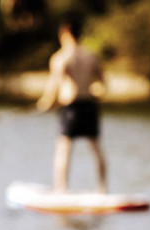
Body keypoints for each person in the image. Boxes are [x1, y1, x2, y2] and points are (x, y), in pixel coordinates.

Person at [36, 15, 108, 194]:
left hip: (71, 108)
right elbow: (103, 83)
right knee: (96, 148)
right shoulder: (91, 55)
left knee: (63, 149)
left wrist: (46, 103)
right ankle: (102, 188)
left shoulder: (61, 58)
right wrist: (95, 92)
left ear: (65, 34)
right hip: (90, 105)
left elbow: (54, 85)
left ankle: (61, 190)